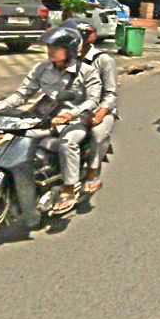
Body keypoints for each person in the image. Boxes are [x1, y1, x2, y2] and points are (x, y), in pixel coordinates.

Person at [0, 26, 103, 215]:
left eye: (56, 47)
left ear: (70, 50)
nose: (51, 51)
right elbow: (23, 94)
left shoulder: (87, 71)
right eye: (49, 47)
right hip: (45, 117)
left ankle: (69, 189)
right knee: (14, 135)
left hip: (76, 119)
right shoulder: (41, 69)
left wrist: (71, 114)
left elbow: (93, 100)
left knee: (67, 143)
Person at [63, 19, 117, 196]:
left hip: (99, 109)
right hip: (72, 108)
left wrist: (101, 113)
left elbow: (111, 93)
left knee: (97, 134)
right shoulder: (67, 60)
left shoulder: (103, 60)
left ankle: (92, 172)